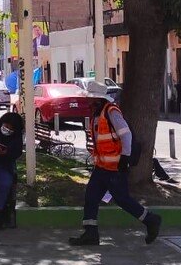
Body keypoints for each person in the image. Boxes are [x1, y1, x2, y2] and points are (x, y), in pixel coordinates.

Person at [69, 96, 162, 246]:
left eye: (90, 98)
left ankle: (151, 220)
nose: (87, 100)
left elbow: (126, 134)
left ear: (98, 99)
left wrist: (125, 157)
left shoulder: (111, 112)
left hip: (115, 167)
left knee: (122, 199)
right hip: (102, 167)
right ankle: (90, 233)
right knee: (91, 196)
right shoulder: (98, 113)